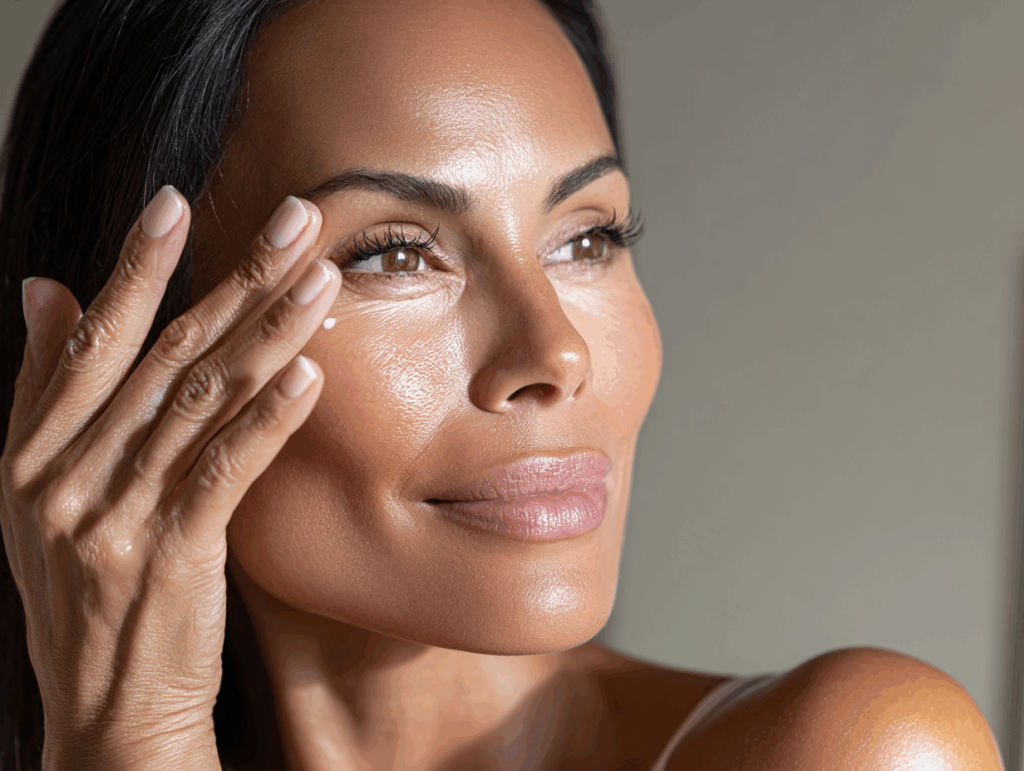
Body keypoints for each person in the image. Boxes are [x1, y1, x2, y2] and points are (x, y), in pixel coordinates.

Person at [0, 0, 1006, 769]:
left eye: (588, 238)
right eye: (396, 254)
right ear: (122, 346)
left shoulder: (859, 748)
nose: (556, 352)